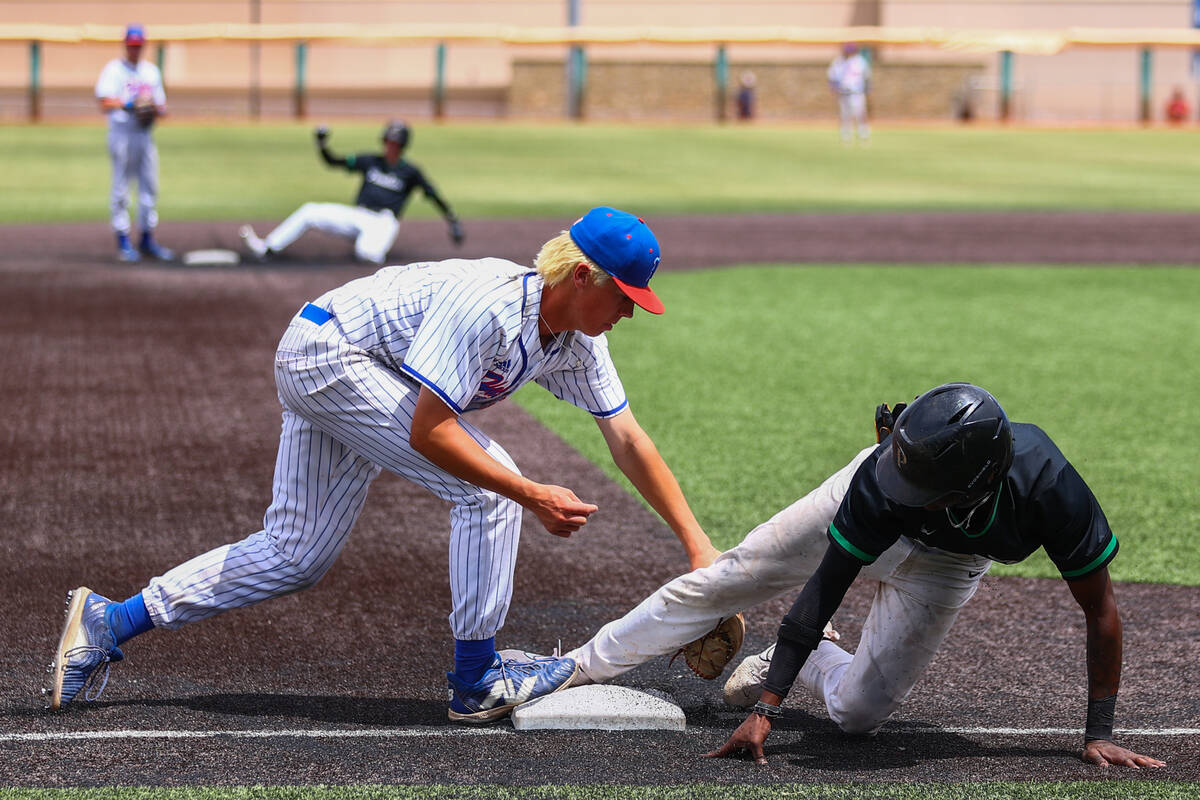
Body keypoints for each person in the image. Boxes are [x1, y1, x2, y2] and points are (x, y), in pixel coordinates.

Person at [47, 207, 718, 724]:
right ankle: (476, 679)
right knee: (488, 491)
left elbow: (628, 439)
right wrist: (527, 492)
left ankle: (111, 621)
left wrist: (697, 547)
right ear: (581, 278)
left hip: (349, 362)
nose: (631, 309)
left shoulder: (576, 338)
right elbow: (430, 431)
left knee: (295, 553)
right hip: (331, 354)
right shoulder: (487, 303)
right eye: (625, 293)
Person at [565, 383, 1163, 770]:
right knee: (735, 577)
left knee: (857, 716)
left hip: (950, 563)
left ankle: (813, 658)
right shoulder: (884, 480)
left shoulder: (1050, 490)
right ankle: (576, 666)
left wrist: (1098, 731)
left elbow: (1100, 610)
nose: (911, 491)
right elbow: (829, 582)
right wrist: (766, 710)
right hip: (858, 508)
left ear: (978, 483)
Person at [240, 121, 462, 265]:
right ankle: (267, 247)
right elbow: (333, 162)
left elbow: (433, 195)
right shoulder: (370, 161)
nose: (389, 146)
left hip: (383, 222)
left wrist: (452, 220)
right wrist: (322, 145)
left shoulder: (411, 172)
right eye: (387, 141)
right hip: (358, 215)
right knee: (310, 211)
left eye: (394, 142)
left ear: (402, 145)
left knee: (366, 255)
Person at [94, 24, 174, 263]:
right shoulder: (114, 70)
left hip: (144, 135)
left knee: (150, 188)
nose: (135, 50)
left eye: (138, 46)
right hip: (121, 135)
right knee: (121, 188)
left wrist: (153, 109)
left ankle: (147, 239)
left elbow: (162, 106)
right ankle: (123, 240)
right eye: (131, 45)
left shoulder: (151, 72)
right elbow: (104, 102)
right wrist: (129, 104)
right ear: (125, 45)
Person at [827, 43, 871, 144]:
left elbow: (866, 76)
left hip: (857, 92)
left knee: (860, 113)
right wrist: (834, 88)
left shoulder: (859, 61)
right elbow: (832, 76)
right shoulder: (838, 62)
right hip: (843, 92)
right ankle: (846, 134)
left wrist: (867, 88)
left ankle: (863, 133)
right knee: (845, 114)